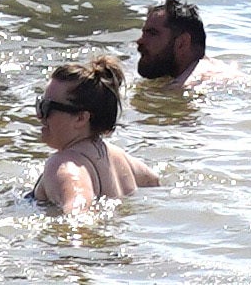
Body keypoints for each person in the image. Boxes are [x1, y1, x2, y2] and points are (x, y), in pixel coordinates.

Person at [28, 57, 162, 209]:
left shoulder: (63, 165)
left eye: (46, 107)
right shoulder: (119, 157)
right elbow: (154, 181)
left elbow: (78, 212)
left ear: (80, 118)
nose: (39, 115)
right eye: (39, 103)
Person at [134, 0, 220, 91]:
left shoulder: (186, 87)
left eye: (152, 33)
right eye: (144, 33)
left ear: (182, 42)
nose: (139, 41)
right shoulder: (215, 70)